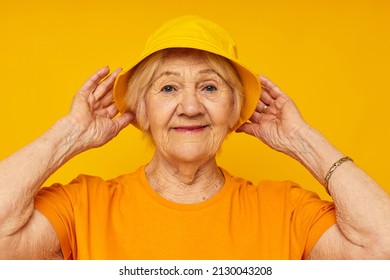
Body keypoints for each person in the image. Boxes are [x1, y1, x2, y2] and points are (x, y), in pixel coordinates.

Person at [0, 15, 389, 260]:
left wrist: (302, 140)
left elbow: (382, 249)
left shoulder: (284, 209)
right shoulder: (83, 205)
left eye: (209, 87)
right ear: (142, 111)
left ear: (235, 110)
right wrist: (67, 136)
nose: (189, 107)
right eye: (168, 89)